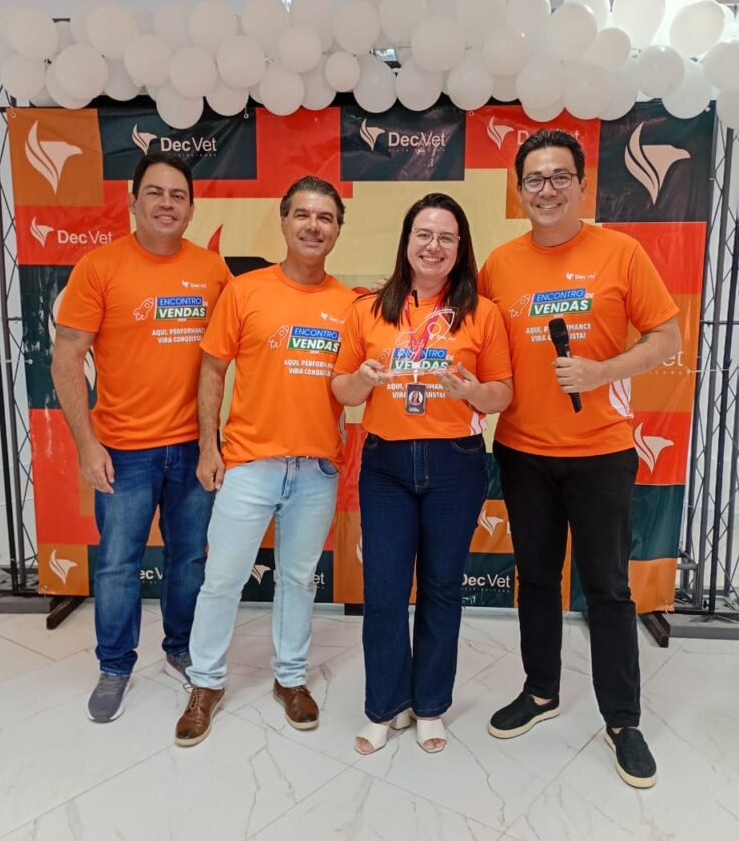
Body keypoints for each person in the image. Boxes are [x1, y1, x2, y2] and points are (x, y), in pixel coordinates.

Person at [478, 128, 681, 788]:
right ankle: (541, 691)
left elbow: (667, 337)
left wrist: (602, 372)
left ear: (582, 184)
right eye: (535, 179)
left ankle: (623, 720)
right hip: (522, 452)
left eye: (559, 176)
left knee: (608, 589)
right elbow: (473, 340)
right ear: (520, 190)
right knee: (536, 579)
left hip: (601, 453)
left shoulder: (621, 253)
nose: (547, 189)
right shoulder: (499, 266)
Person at [174, 176, 355, 747]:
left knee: (298, 580)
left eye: (325, 218)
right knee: (222, 579)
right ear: (283, 222)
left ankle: (291, 678)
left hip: (316, 470)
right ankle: (205, 683)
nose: (313, 226)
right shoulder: (246, 291)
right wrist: (208, 446)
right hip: (249, 464)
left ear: (337, 230)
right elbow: (212, 369)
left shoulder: (350, 304)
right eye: (302, 214)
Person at [51, 151, 230, 723]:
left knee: (189, 560)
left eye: (178, 196)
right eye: (155, 192)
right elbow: (66, 358)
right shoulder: (98, 268)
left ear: (192, 209)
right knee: (117, 565)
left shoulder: (212, 271)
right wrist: (87, 444)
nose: (166, 204)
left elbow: (247, 337)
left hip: (193, 448)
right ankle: (114, 665)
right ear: (132, 202)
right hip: (123, 452)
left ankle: (180, 648)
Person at [332, 193, 513, 755]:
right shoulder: (368, 309)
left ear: (460, 248)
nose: (434, 246)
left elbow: (502, 393)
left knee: (441, 587)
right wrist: (363, 379)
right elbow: (341, 390)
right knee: (384, 590)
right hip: (385, 464)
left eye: (446, 237)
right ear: (407, 242)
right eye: (424, 235)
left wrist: (472, 391)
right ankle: (384, 706)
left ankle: (430, 705)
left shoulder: (482, 313)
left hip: (455, 464)